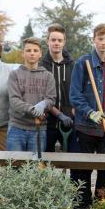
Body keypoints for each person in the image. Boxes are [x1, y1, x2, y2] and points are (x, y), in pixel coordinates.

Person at [69, 23, 105, 208]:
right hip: (86, 125)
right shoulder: (83, 63)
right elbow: (74, 95)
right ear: (93, 40)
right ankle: (83, 205)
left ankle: (100, 204)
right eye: (100, 39)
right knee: (84, 167)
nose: (103, 43)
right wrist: (89, 112)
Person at [7, 37, 56, 152]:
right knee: (14, 167)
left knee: (35, 167)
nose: (32, 53)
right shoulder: (14, 75)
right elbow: (14, 101)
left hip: (39, 129)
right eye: (28, 51)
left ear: (40, 54)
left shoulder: (48, 76)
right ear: (23, 53)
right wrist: (33, 109)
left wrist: (43, 104)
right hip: (16, 128)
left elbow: (51, 99)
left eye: (35, 51)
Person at [39, 23, 78, 152]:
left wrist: (74, 110)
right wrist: (57, 114)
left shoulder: (73, 65)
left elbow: (79, 90)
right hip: (47, 123)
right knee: (45, 163)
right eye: (53, 40)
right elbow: (41, 95)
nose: (56, 43)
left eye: (59, 40)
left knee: (74, 161)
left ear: (64, 42)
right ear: (47, 41)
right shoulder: (41, 66)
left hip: (70, 122)